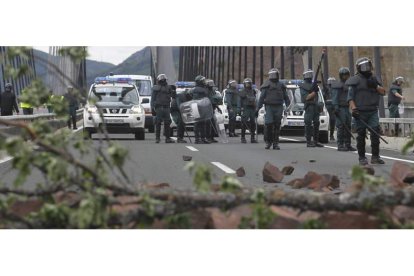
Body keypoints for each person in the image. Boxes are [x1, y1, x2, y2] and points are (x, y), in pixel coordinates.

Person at [346, 57, 386, 165]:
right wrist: (354, 109)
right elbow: (350, 98)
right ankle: (362, 157)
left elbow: (383, 92)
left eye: (367, 66)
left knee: (375, 133)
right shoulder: (355, 80)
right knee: (361, 135)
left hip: (373, 111)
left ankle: (375, 157)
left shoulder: (374, 79)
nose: (366, 68)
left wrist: (375, 85)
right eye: (363, 66)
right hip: (360, 112)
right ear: (359, 68)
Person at [256, 68, 290, 150]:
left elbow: (286, 97)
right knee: (269, 124)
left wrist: (288, 105)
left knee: (277, 124)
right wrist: (257, 108)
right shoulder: (266, 85)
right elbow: (262, 97)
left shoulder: (281, 85)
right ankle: (268, 141)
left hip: (279, 106)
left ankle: (276, 143)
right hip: (269, 106)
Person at [331, 67, 356, 152]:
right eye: (344, 75)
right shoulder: (337, 85)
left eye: (346, 75)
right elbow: (335, 98)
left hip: (347, 108)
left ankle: (348, 144)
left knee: (348, 126)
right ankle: (340, 145)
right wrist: (336, 108)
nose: (345, 76)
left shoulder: (349, 85)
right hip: (340, 108)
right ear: (341, 76)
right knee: (341, 126)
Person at [299, 69, 323, 147]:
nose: (310, 76)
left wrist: (320, 104)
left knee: (316, 123)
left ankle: (316, 141)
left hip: (315, 106)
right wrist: (314, 92)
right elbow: (306, 97)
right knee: (308, 124)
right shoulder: (303, 86)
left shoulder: (314, 85)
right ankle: (309, 141)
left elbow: (318, 98)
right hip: (309, 107)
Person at [151, 74, 175, 143]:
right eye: (163, 79)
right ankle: (158, 138)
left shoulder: (169, 88)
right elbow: (153, 99)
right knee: (158, 123)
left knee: (167, 122)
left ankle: (166, 138)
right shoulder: (156, 88)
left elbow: (173, 96)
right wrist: (152, 108)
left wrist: (174, 91)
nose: (164, 80)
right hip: (159, 107)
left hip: (166, 107)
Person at [191, 75, 211, 144]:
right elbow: (196, 99)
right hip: (197, 107)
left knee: (203, 123)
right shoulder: (196, 89)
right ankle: (197, 139)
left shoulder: (204, 88)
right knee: (197, 123)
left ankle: (203, 138)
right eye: (203, 80)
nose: (204, 82)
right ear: (200, 82)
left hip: (203, 107)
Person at [238, 78, 258, 143]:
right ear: (244, 84)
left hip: (252, 108)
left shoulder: (253, 91)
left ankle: (252, 138)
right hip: (245, 108)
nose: (248, 85)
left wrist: (257, 109)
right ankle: (243, 138)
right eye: (246, 84)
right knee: (244, 123)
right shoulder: (242, 92)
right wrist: (239, 109)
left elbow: (256, 100)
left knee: (253, 123)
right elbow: (239, 101)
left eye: (249, 83)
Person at [324, 77, 336, 141]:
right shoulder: (325, 89)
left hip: (333, 107)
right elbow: (323, 98)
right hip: (327, 107)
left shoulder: (336, 89)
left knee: (333, 120)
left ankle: (331, 135)